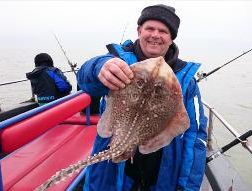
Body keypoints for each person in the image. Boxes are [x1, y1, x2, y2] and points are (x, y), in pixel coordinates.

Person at [77, 4, 208, 191]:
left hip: (159, 178)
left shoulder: (186, 80)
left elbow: (194, 136)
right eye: (150, 28)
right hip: (111, 176)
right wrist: (100, 67)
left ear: (171, 38)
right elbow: (85, 81)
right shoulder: (118, 62)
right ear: (139, 31)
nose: (155, 34)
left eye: (163, 31)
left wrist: (186, 187)